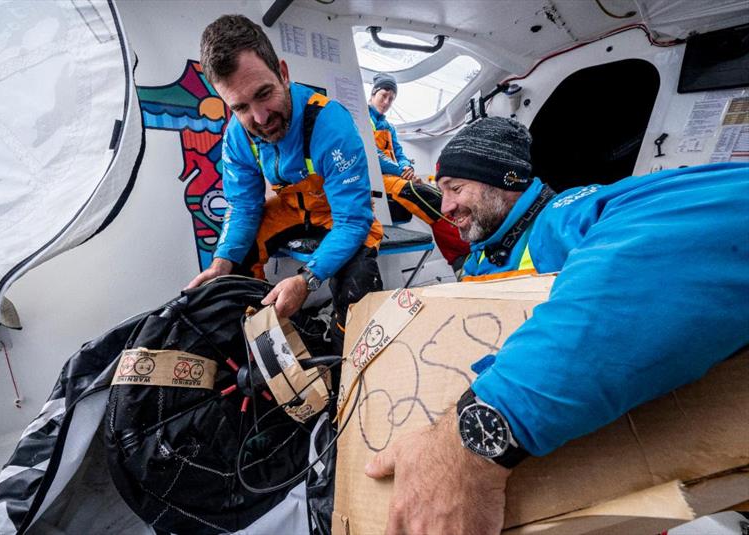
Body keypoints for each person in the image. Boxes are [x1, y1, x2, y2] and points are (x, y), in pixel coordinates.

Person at [364, 116, 749, 533]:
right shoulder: (481, 255)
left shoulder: (560, 219)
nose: (446, 207)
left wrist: (484, 428)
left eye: (456, 188)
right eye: (442, 192)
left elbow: (710, 217)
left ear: (505, 180)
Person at [187, 15, 384, 351]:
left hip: (340, 214)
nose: (260, 118)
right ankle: (261, 347)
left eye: (264, 94)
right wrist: (222, 263)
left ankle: (342, 359)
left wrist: (307, 280)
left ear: (283, 73)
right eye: (241, 107)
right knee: (233, 267)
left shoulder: (330, 123)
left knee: (358, 287)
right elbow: (244, 206)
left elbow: (353, 220)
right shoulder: (237, 136)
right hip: (290, 210)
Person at [368, 73, 469, 270]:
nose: (387, 102)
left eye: (391, 99)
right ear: (373, 94)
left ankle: (465, 243)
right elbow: (373, 154)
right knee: (420, 193)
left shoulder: (389, 127)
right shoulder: (362, 119)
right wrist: (401, 171)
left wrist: (408, 167)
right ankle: (459, 252)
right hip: (377, 179)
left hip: (394, 176)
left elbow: (399, 152)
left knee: (437, 193)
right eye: (384, 96)